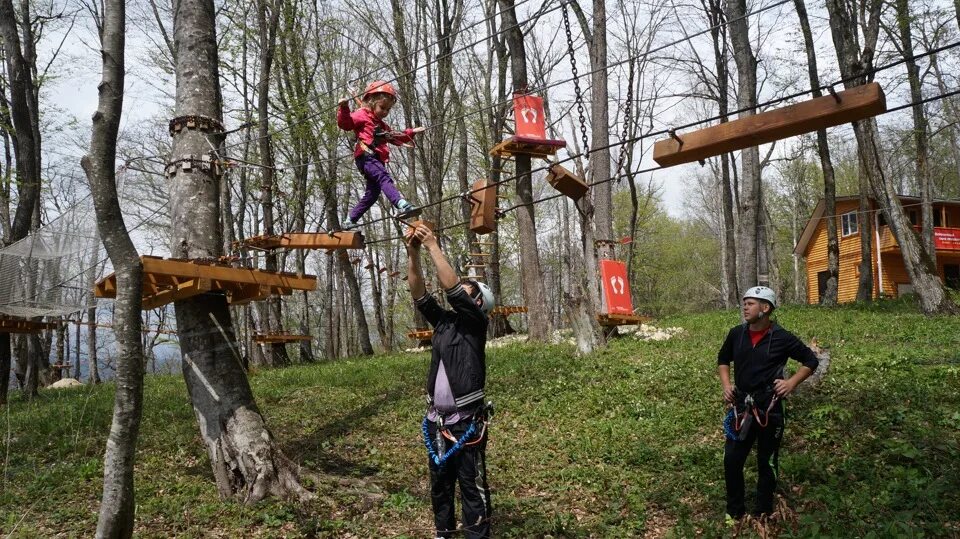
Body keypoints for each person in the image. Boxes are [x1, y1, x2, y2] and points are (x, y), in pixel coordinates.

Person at [405, 223, 495, 539]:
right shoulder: (444, 323)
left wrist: (433, 245)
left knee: (471, 487)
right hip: (437, 421)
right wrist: (413, 253)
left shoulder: (476, 324)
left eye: (466, 291)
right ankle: (443, 534)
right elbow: (419, 293)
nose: (457, 291)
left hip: (466, 422)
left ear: (478, 303)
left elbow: (452, 289)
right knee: (440, 486)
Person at [717, 286, 819, 520]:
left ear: (765, 308)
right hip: (742, 406)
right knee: (732, 459)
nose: (745, 307)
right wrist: (726, 385)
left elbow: (810, 360)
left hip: (770, 407)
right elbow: (723, 359)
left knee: (767, 461)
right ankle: (735, 512)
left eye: (750, 303)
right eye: (744, 303)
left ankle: (763, 512)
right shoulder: (736, 334)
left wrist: (791, 383)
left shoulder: (782, 337)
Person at [336, 80, 424, 230]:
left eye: (388, 109)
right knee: (383, 177)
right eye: (382, 108)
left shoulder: (381, 125)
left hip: (376, 159)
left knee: (373, 193)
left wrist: (411, 132)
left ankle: (350, 220)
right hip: (366, 156)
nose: (385, 112)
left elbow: (395, 136)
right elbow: (346, 124)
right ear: (371, 103)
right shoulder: (361, 115)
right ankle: (401, 204)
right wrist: (344, 108)